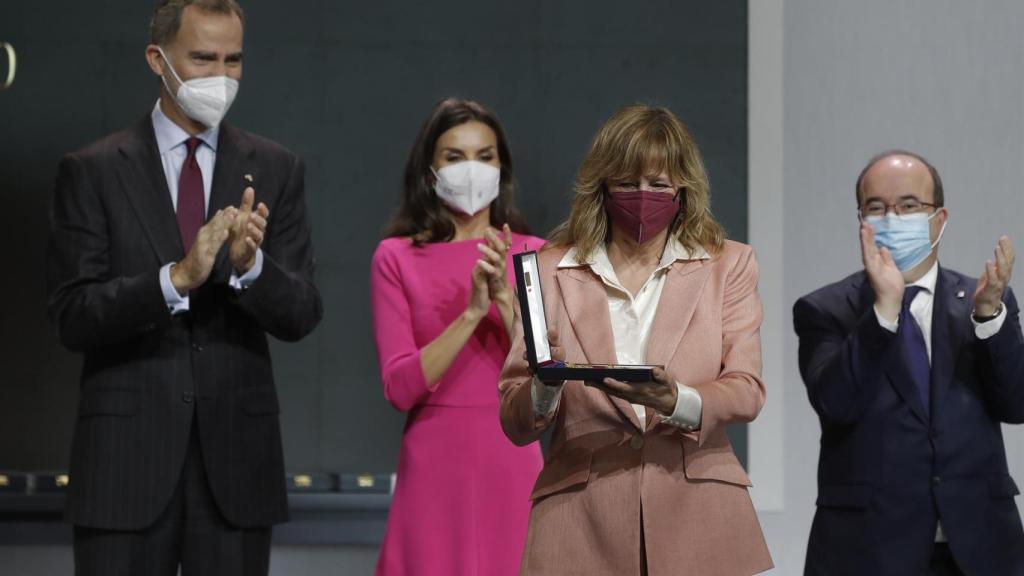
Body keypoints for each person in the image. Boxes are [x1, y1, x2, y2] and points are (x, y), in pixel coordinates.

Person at [46, 1, 322, 574]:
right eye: (202, 58)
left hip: (237, 471)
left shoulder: (276, 168)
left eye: (233, 60)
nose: (220, 76)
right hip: (122, 469)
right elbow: (73, 313)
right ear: (157, 59)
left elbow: (301, 312)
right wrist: (175, 280)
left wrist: (250, 268)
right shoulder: (93, 169)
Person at [498, 105, 772, 575]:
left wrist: (677, 399)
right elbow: (514, 418)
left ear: (683, 190)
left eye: (659, 184)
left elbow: (746, 388)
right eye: (627, 182)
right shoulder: (549, 270)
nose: (643, 195)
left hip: (698, 516)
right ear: (601, 187)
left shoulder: (729, 265)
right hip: (581, 523)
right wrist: (546, 386)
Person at [794, 150, 1024, 576]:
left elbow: (1016, 405)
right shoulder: (826, 310)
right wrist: (883, 311)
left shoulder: (982, 301)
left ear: (940, 218)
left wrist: (991, 318)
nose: (893, 219)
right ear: (860, 219)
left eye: (909, 206)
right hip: (868, 551)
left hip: (979, 547)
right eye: (876, 208)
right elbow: (836, 405)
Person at [370, 97, 545, 575]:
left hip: (511, 454)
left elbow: (549, 374)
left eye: (485, 156)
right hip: (433, 464)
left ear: (502, 168)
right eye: (455, 156)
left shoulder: (534, 254)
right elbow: (400, 388)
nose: (472, 169)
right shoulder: (396, 257)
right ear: (429, 169)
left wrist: (506, 302)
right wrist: (471, 314)